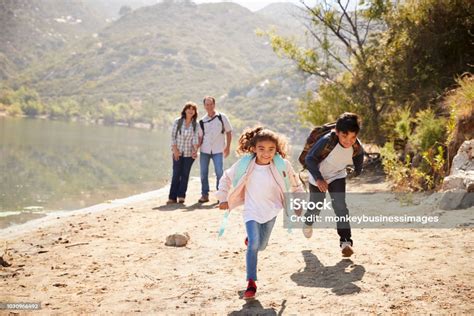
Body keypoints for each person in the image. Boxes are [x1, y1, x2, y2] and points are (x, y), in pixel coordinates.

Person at [215, 127, 304, 300]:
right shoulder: (244, 164)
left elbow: (296, 184)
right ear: (254, 148)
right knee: (254, 244)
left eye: (271, 149)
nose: (266, 153)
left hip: (271, 210)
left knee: (261, 245)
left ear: (276, 150)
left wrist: (298, 203)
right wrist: (222, 198)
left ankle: (250, 241)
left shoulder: (282, 165)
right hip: (251, 210)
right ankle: (251, 283)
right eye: (261, 149)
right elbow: (225, 178)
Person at [303, 112, 364, 257]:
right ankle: (308, 221)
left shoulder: (356, 145)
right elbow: (310, 159)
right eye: (344, 136)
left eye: (353, 137)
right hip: (318, 176)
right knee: (317, 205)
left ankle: (346, 242)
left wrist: (357, 170)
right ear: (337, 132)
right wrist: (318, 179)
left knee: (340, 206)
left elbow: (359, 155)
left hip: (337, 176)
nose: (349, 141)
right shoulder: (327, 141)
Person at [198, 96, 232, 203]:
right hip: (205, 150)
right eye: (207, 104)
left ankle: (220, 196)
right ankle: (204, 195)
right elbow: (200, 137)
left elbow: (229, 132)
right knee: (203, 173)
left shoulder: (222, 117)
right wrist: (195, 150)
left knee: (219, 173)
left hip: (218, 150)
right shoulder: (202, 121)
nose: (209, 106)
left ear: (214, 104)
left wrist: (228, 147)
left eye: (211, 104)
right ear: (204, 106)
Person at [167, 102, 199, 204]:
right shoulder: (178, 122)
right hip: (178, 152)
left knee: (185, 175)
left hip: (189, 154)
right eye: (189, 109)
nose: (190, 111)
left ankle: (181, 196)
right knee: (176, 174)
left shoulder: (195, 124)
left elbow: (195, 139)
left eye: (193, 109)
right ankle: (172, 197)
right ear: (185, 110)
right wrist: (175, 150)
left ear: (195, 112)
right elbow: (173, 137)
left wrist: (195, 151)